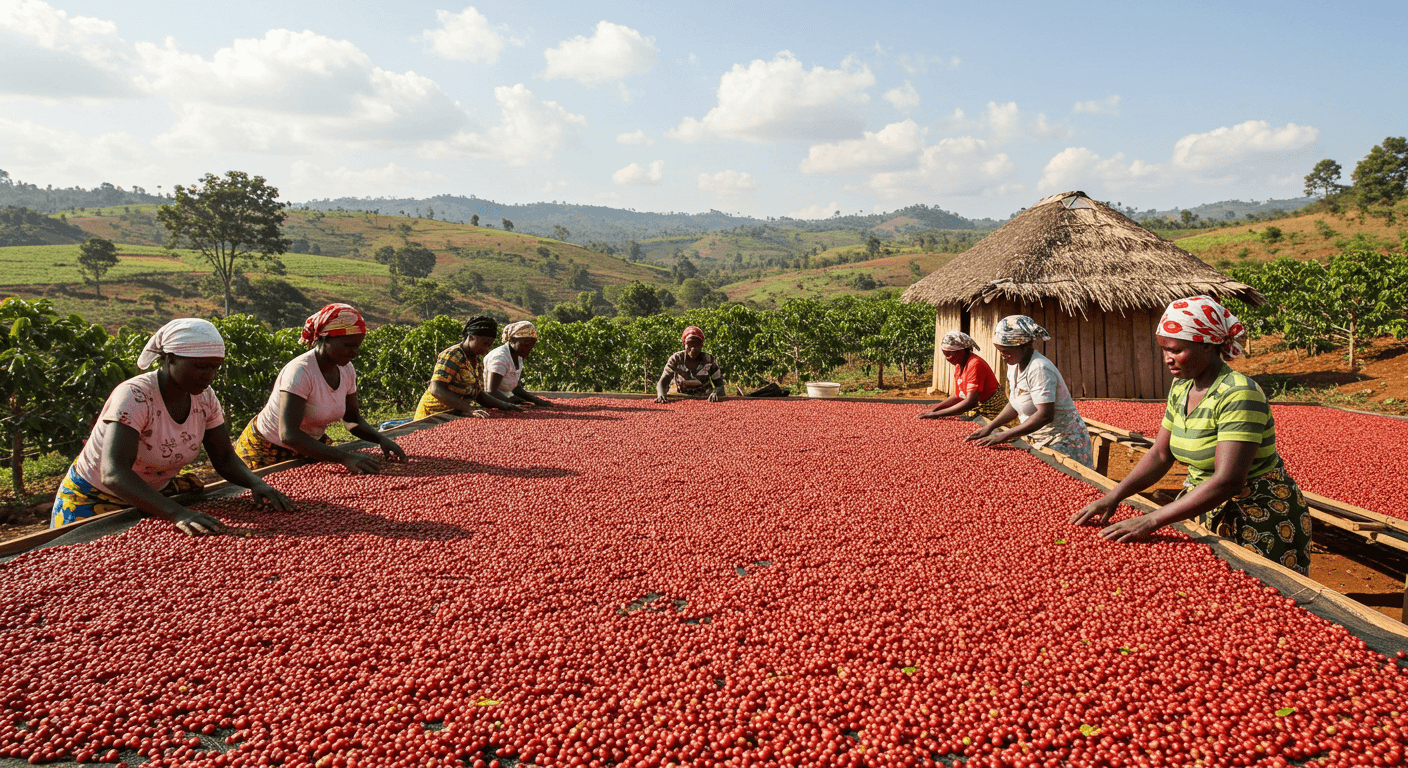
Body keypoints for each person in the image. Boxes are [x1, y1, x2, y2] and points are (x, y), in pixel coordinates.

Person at [1071, 296, 1312, 574]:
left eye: (1176, 350)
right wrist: (1114, 496)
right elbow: (1161, 453)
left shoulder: (1238, 394)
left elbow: (1229, 480)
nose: (1167, 359)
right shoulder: (1181, 387)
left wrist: (1152, 520)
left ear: (1208, 345)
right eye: (1163, 350)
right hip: (1203, 503)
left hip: (1257, 516)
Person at [52, 319, 294, 535]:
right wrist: (178, 513)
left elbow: (224, 457)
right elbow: (114, 473)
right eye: (200, 367)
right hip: (96, 499)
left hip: (155, 498)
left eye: (215, 367)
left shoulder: (205, 398)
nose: (209, 375)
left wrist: (257, 483)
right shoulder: (135, 396)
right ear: (170, 359)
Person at [235, 303, 406, 473]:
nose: (354, 352)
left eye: (357, 346)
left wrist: (381, 439)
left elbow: (352, 419)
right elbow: (289, 434)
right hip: (267, 451)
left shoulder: (346, 369)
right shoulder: (300, 372)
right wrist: (344, 457)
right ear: (324, 339)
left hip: (309, 447)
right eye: (348, 345)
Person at [964, 315, 1094, 467]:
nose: (1002, 355)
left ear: (1024, 346)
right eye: (999, 350)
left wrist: (1004, 435)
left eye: (1006, 350)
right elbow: (1015, 403)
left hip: (1063, 441)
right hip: (1038, 437)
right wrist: (990, 426)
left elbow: (1045, 415)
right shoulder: (1013, 365)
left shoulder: (1039, 368)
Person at [413, 315, 523, 420]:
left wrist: (505, 405)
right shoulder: (453, 355)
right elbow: (436, 389)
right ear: (471, 337)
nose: (486, 349)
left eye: (489, 345)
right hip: (432, 416)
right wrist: (468, 409)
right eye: (484, 344)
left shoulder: (477, 361)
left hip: (456, 413)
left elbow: (478, 394)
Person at [917, 331, 1008, 420]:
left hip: (993, 410)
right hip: (980, 407)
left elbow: (970, 402)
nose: (947, 359)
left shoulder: (975, 364)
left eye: (949, 354)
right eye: (945, 354)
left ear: (961, 351)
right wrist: (935, 408)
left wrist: (936, 414)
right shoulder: (959, 366)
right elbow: (958, 396)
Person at [484, 320, 553, 408]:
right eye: (525, 345)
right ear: (512, 340)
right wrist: (511, 404)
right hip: (490, 401)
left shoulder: (517, 355)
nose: (528, 350)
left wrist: (537, 401)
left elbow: (516, 388)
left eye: (531, 346)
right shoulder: (500, 358)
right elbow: (490, 391)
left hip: (504, 397)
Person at [656, 326, 726, 403]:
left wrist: (715, 393)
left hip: (705, 399)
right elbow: (663, 381)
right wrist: (661, 394)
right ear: (684, 344)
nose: (693, 348)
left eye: (697, 344)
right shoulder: (676, 359)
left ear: (701, 346)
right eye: (690, 344)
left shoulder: (708, 360)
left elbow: (719, 385)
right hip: (681, 398)